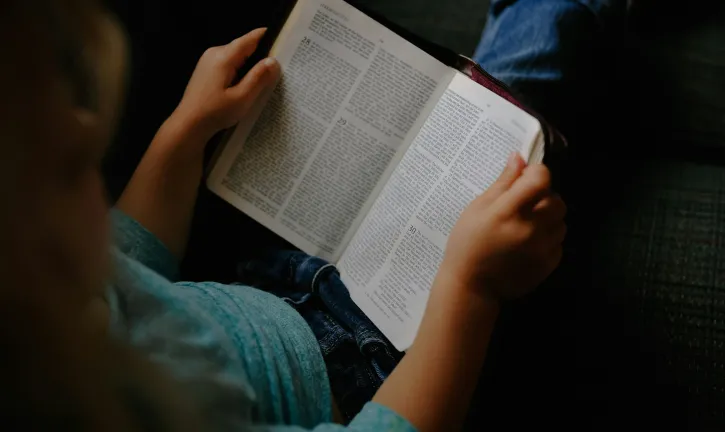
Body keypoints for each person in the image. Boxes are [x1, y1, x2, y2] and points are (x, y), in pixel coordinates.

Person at [0, 0, 621, 430]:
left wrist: (184, 133)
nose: (96, 162)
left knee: (457, 107)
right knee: (519, 110)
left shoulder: (55, 295)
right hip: (373, 368)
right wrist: (470, 286)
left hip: (267, 282)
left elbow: (135, 253)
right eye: (78, 163)